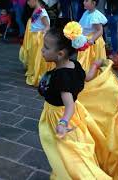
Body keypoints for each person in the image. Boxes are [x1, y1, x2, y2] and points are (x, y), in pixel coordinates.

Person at [37, 25, 111, 179]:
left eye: (46, 47)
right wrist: (95, 66)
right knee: (70, 150)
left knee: (66, 152)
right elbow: (87, 78)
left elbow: (69, 105)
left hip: (59, 116)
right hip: (75, 113)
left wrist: (63, 123)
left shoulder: (60, 77)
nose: (42, 50)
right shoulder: (74, 65)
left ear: (60, 53)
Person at [19, 0, 53, 86]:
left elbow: (47, 26)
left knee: (38, 57)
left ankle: (39, 73)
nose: (27, 3)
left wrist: (41, 35)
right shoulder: (37, 10)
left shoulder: (42, 12)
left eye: (29, 1)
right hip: (33, 38)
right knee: (33, 55)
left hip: (38, 39)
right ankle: (34, 70)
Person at [78, 0, 107, 72]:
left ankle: (92, 75)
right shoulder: (86, 13)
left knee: (91, 59)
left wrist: (92, 39)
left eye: (87, 1)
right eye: (84, 0)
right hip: (86, 39)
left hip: (93, 42)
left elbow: (100, 31)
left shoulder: (95, 17)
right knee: (86, 60)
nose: (84, 2)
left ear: (93, 3)